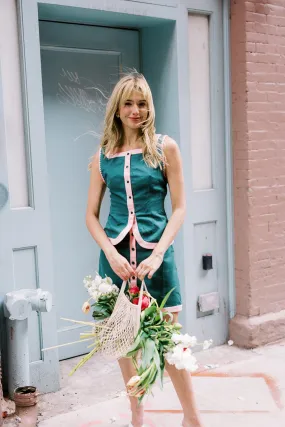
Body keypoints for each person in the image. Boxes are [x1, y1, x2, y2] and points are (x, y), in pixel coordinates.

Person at [86, 72, 203, 427]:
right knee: (123, 342)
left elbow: (180, 208)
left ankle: (192, 418)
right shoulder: (103, 155)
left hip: (156, 261)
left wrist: (157, 253)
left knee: (169, 345)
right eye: (128, 103)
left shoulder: (165, 147)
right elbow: (90, 216)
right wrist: (110, 253)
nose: (135, 110)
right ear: (117, 108)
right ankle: (138, 416)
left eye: (142, 103)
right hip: (116, 263)